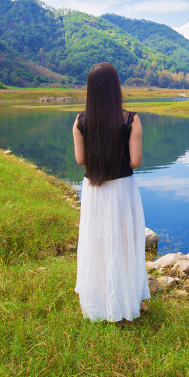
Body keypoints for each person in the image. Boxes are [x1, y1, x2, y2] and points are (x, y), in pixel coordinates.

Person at [72, 62, 148, 322]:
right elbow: (135, 162)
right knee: (126, 243)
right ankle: (125, 300)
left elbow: (80, 159)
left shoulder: (80, 121)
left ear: (90, 89)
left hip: (95, 192)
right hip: (122, 191)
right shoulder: (131, 119)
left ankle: (100, 300)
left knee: (97, 242)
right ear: (116, 88)